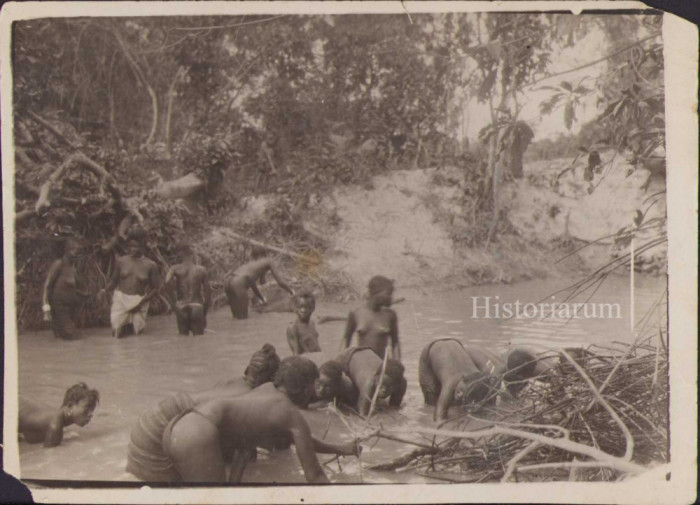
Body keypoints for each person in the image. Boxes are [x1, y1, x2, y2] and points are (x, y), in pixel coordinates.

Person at [139, 357, 361, 483]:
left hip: (178, 425)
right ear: (305, 388)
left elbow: (303, 441)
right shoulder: (291, 414)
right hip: (197, 433)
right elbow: (315, 475)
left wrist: (342, 448)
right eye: (314, 385)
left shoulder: (266, 390)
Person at [127, 344, 281, 482]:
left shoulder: (230, 383)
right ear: (271, 380)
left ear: (248, 370)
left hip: (149, 420)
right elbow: (243, 453)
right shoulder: (251, 398)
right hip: (159, 429)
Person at [98, 228, 160, 338]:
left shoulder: (151, 265)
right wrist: (105, 290)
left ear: (143, 246)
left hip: (139, 301)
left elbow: (156, 289)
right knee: (116, 333)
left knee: (136, 335)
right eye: (130, 246)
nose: (132, 249)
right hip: (120, 300)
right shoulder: (121, 261)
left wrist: (141, 303)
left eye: (135, 246)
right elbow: (114, 281)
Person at [418, 339, 496, 422]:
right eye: (460, 391)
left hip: (455, 343)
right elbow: (438, 417)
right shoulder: (451, 383)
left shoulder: (478, 378)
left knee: (459, 403)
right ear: (463, 379)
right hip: (430, 350)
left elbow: (487, 403)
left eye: (463, 393)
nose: (459, 395)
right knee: (432, 403)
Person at [19, 383, 99, 447]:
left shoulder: (52, 418)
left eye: (92, 410)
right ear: (70, 406)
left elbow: (28, 437)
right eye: (87, 408)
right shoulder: (55, 423)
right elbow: (48, 456)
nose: (91, 414)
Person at [224, 246, 294, 320]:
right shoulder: (268, 261)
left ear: (253, 255)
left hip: (228, 282)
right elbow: (280, 282)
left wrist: (261, 297)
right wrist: (291, 291)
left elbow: (253, 284)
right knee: (243, 319)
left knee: (235, 318)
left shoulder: (250, 264)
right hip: (238, 283)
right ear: (264, 254)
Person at [340, 275, 401, 361]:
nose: (391, 298)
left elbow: (395, 343)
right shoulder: (356, 313)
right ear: (376, 293)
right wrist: (340, 365)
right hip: (362, 365)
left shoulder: (390, 315)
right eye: (388, 294)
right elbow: (346, 340)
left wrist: (398, 365)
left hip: (382, 364)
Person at [42, 237, 91, 340]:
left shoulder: (73, 268)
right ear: (67, 250)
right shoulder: (59, 264)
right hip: (58, 306)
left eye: (79, 253)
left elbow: (81, 288)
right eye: (75, 252)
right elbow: (47, 286)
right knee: (75, 337)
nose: (78, 256)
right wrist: (46, 309)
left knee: (66, 337)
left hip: (69, 308)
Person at [335, 347, 406, 416]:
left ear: (398, 384)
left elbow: (394, 408)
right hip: (347, 357)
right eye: (381, 384)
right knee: (349, 398)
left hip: (368, 354)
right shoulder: (369, 383)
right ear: (375, 378)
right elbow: (362, 414)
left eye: (390, 386)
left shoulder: (402, 383)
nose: (384, 389)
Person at [164, 244, 211, 336]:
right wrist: (204, 314)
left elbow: (166, 282)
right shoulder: (202, 269)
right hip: (197, 306)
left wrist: (174, 304)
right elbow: (208, 295)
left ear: (179, 254)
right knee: (198, 339)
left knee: (183, 340)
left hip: (181, 306)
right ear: (191, 255)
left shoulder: (174, 268)